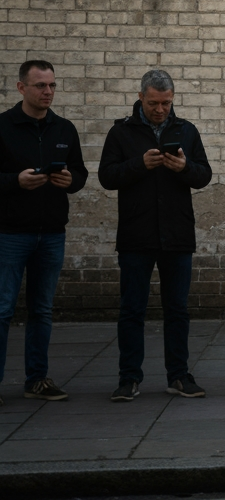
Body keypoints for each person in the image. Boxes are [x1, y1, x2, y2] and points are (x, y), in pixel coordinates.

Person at [99, 70, 213, 403]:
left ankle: (179, 375)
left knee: (177, 310)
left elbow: (204, 175)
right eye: (153, 103)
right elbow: (106, 177)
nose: (160, 110)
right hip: (136, 234)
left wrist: (184, 168)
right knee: (131, 310)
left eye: (165, 103)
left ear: (173, 99)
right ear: (141, 98)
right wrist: (138, 164)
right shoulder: (122, 132)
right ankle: (128, 378)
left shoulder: (186, 130)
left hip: (177, 235)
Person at [0, 61, 88, 405]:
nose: (48, 92)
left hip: (52, 232)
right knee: (3, 310)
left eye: (52, 85)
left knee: (42, 310)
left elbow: (79, 173)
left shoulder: (64, 129)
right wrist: (14, 181)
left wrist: (71, 181)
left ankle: (36, 379)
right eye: (40, 86)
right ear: (21, 88)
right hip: (9, 233)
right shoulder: (3, 127)